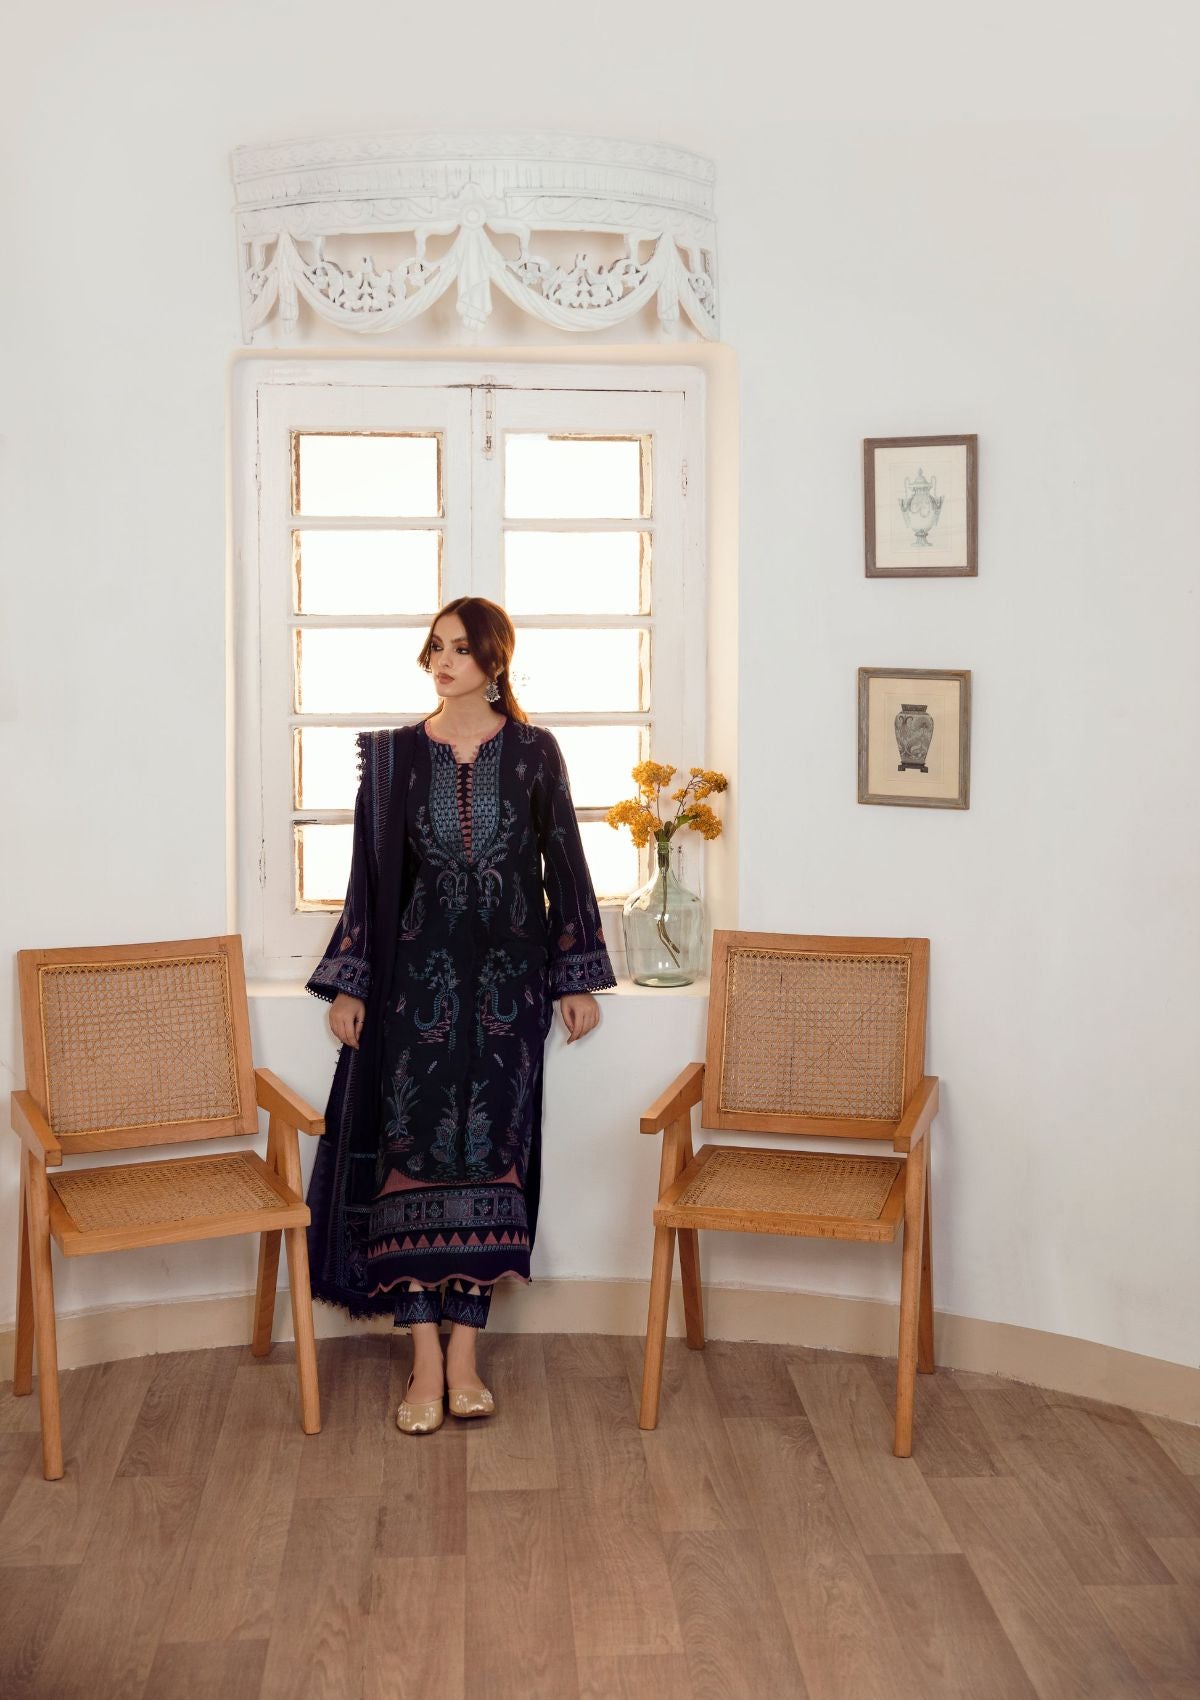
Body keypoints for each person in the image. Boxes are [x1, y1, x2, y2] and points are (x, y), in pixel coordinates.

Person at [303, 596, 616, 1434]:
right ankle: (424, 1360)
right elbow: (369, 881)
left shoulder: (535, 754)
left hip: (509, 992)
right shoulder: (396, 759)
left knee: (493, 1158)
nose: (443, 662)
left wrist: (575, 976)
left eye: (461, 650)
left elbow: (564, 863)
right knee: (408, 1157)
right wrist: (352, 983)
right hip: (413, 992)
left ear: (494, 661)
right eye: (435, 648)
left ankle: (467, 1354)